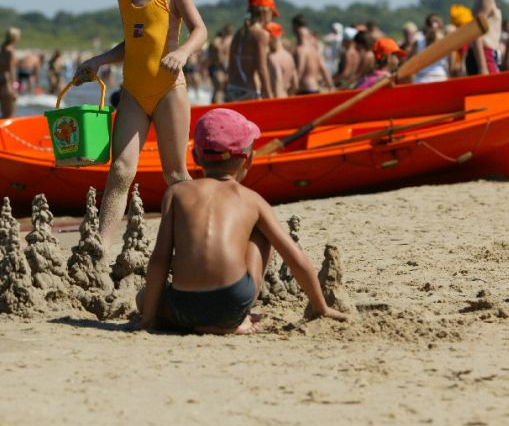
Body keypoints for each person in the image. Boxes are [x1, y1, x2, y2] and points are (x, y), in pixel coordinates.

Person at [136, 108, 350, 334]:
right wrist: (321, 307)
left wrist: (148, 320)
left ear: (195, 157)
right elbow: (294, 257)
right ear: (249, 160)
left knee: (142, 298)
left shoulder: (176, 193)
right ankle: (232, 322)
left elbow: (160, 258)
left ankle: (201, 323)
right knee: (261, 234)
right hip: (231, 304)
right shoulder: (252, 201)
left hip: (184, 307)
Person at [74, 0, 207, 245]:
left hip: (168, 90)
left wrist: (184, 53)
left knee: (175, 174)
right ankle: (101, 247)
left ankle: (195, 239)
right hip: (133, 91)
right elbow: (131, 44)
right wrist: (98, 60)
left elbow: (200, 30)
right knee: (120, 171)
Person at [225, 0, 277, 101]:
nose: (272, 18)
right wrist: (269, 96)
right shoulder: (261, 34)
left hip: (231, 89)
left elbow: (230, 65)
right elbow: (262, 68)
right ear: (265, 12)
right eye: (272, 13)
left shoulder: (239, 33)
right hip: (248, 91)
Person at [292, 14, 334, 94]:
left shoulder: (300, 50)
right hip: (315, 88)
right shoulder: (314, 50)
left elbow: (300, 70)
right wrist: (331, 86)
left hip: (304, 89)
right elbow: (324, 69)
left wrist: (293, 88)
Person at [412, 14, 451, 83]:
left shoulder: (418, 40)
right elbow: (452, 66)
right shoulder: (447, 40)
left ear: (426, 26)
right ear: (441, 26)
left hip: (421, 79)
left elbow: (412, 63)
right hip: (440, 78)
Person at [266, 22, 297, 97]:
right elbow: (295, 84)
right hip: (285, 97)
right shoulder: (288, 56)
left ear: (271, 37)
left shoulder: (272, 58)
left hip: (275, 100)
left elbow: (278, 83)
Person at [0, 28, 20, 118]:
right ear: (15, 38)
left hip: (0, 83)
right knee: (10, 115)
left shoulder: (2, 50)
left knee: (3, 114)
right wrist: (15, 87)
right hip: (8, 84)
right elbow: (11, 70)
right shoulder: (11, 51)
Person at [205, 24, 233, 104]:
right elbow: (218, 56)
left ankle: (216, 105)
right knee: (219, 88)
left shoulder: (218, 41)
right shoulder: (218, 41)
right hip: (218, 66)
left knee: (219, 88)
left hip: (218, 66)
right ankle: (215, 106)